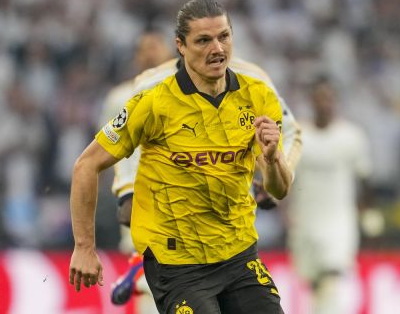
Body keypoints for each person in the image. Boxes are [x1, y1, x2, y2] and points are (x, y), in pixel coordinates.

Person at [69, 0, 292, 313]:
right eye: (203, 40)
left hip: (239, 255)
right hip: (177, 265)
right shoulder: (153, 104)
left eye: (224, 36)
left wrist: (272, 158)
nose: (217, 48)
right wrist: (84, 247)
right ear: (180, 46)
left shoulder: (258, 96)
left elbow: (279, 189)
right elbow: (86, 165)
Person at [108, 58, 302, 305]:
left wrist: (274, 173)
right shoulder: (151, 85)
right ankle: (145, 275)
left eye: (221, 36)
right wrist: (127, 190)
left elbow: (289, 130)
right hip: (171, 215)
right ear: (181, 43)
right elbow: (126, 143)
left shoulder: (254, 81)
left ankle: (143, 277)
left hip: (230, 215)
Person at [287, 77, 378, 313]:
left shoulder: (351, 137)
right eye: (319, 98)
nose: (324, 104)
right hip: (305, 223)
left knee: (332, 275)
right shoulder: (298, 136)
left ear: (335, 101)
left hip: (339, 222)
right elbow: (284, 177)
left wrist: (368, 212)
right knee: (317, 283)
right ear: (311, 101)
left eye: (328, 98)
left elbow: (364, 177)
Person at [98, 32, 173, 309]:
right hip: (135, 198)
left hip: (174, 198)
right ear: (136, 56)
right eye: (144, 49)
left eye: (155, 47)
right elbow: (101, 151)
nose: (150, 53)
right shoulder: (119, 97)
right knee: (150, 281)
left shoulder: (177, 93)